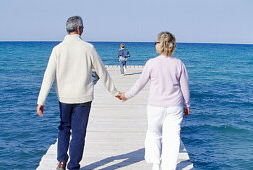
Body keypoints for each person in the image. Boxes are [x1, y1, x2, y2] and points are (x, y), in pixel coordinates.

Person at [36, 16, 119, 170]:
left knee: (64, 127)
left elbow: (48, 76)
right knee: (79, 133)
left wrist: (41, 101)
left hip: (64, 97)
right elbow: (102, 72)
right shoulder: (88, 48)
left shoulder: (57, 49)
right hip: (83, 97)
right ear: (79, 29)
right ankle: (73, 165)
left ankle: (61, 162)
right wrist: (114, 92)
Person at [118, 32, 190, 170]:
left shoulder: (152, 63)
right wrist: (186, 105)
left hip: (155, 106)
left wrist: (126, 95)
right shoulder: (179, 64)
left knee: (153, 134)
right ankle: (169, 167)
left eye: (156, 42)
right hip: (174, 106)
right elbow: (185, 87)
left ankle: (156, 164)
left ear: (161, 44)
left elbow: (140, 84)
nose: (155, 44)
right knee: (173, 137)